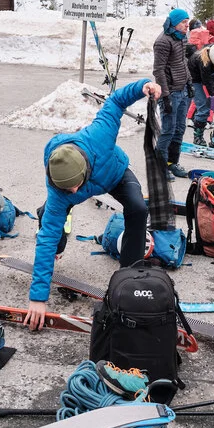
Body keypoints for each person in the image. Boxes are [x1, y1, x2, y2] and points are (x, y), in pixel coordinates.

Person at [22, 79, 163, 330]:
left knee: (138, 209)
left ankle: (129, 275)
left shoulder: (100, 134)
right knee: (52, 230)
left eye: (76, 186)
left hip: (114, 173)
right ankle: (53, 229)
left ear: (84, 169)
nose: (76, 192)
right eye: (68, 189)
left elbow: (117, 100)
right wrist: (38, 298)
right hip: (67, 196)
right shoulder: (60, 191)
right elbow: (45, 241)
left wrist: (143, 86)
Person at [153, 9, 191, 178]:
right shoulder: (162, 42)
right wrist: (165, 96)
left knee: (180, 128)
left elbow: (183, 62)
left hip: (183, 90)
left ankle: (172, 163)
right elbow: (158, 70)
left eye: (188, 21)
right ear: (174, 23)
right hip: (170, 92)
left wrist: (189, 82)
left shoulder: (181, 38)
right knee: (168, 129)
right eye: (184, 21)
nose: (187, 25)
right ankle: (159, 166)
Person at [187, 43, 214, 145]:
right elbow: (207, 84)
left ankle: (201, 133)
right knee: (204, 107)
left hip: (205, 78)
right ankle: (197, 137)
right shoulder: (204, 61)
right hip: (194, 80)